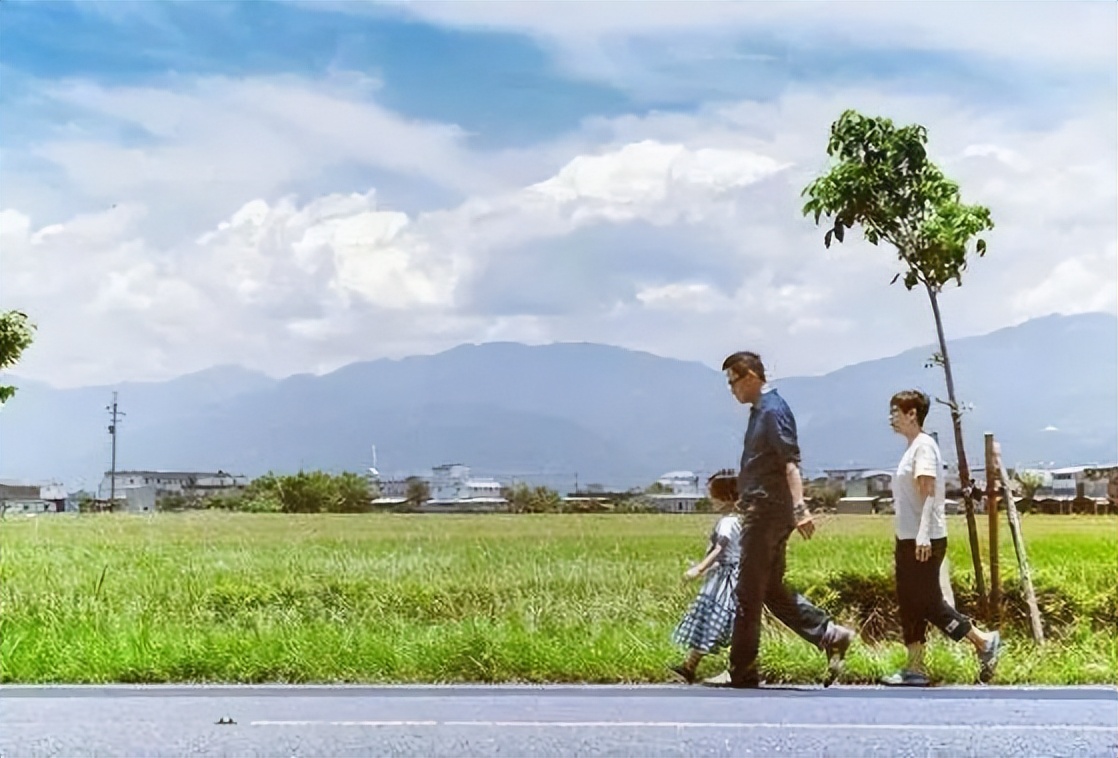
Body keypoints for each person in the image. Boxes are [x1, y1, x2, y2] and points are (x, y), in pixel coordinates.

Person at [712, 351, 855, 688]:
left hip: (766, 514)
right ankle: (828, 633)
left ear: (749, 376)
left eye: (733, 382)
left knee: (747, 593)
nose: (731, 390)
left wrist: (800, 508)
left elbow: (790, 462)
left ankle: (741, 671)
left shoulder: (773, 412)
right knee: (771, 590)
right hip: (765, 511)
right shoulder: (760, 411)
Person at [883, 389, 1002, 686]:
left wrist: (923, 535)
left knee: (928, 603)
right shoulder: (912, 448)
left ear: (913, 414)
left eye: (896, 411)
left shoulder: (924, 448)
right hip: (908, 538)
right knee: (910, 604)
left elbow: (927, 496)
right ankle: (915, 668)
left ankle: (983, 642)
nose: (891, 417)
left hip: (925, 539)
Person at [669, 474, 742, 684]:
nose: (711, 500)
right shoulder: (738, 520)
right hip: (731, 573)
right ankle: (689, 666)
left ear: (726, 497)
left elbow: (721, 548)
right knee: (716, 621)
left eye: (714, 496)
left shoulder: (727, 522)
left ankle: (694, 666)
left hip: (726, 579)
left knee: (713, 619)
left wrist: (699, 569)